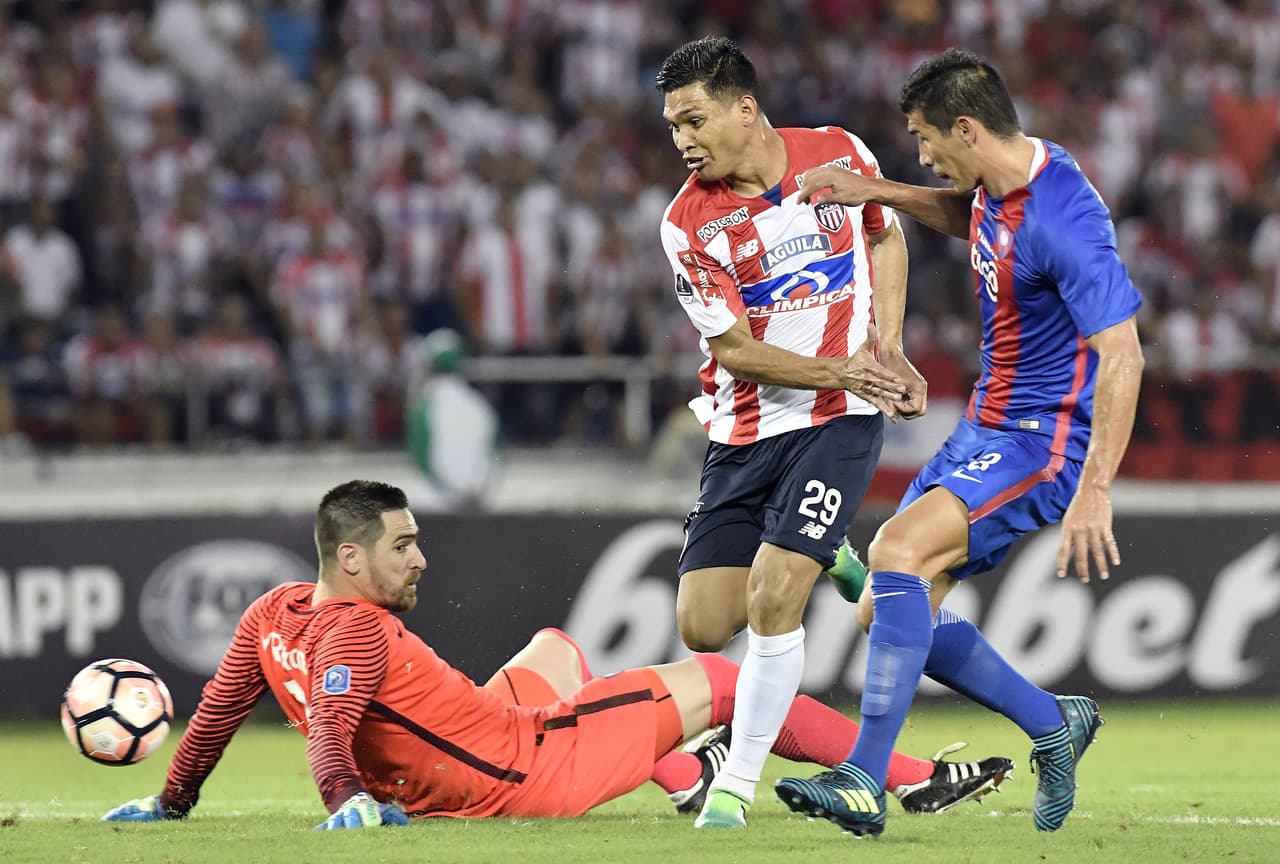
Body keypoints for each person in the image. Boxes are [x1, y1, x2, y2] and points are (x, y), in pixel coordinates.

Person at [102, 480, 1015, 828]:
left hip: (467, 746)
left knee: (556, 645)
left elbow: (219, 710)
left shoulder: (275, 613)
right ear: (351, 557)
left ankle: (681, 776)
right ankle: (907, 775)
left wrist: (172, 801)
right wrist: (346, 805)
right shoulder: (358, 630)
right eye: (403, 545)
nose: (421, 557)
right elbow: (331, 731)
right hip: (526, 767)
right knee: (731, 679)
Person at [775, 47, 1145, 837]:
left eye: (924, 138)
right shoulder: (1001, 182)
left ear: (966, 129)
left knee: (897, 553)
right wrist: (877, 191)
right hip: (987, 425)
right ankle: (1053, 721)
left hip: (1040, 442)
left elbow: (1124, 352)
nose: (922, 153)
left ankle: (863, 780)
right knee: (886, 614)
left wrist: (1097, 489)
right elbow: (967, 216)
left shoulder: (1066, 219)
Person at [654, 36, 926, 828]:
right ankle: (829, 550)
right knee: (703, 624)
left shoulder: (837, 153)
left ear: (746, 108)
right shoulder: (685, 223)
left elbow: (882, 233)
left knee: (775, 596)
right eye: (673, 127)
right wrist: (848, 368)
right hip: (745, 428)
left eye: (694, 120)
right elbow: (734, 350)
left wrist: (888, 345)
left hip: (840, 418)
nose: (683, 142)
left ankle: (733, 788)